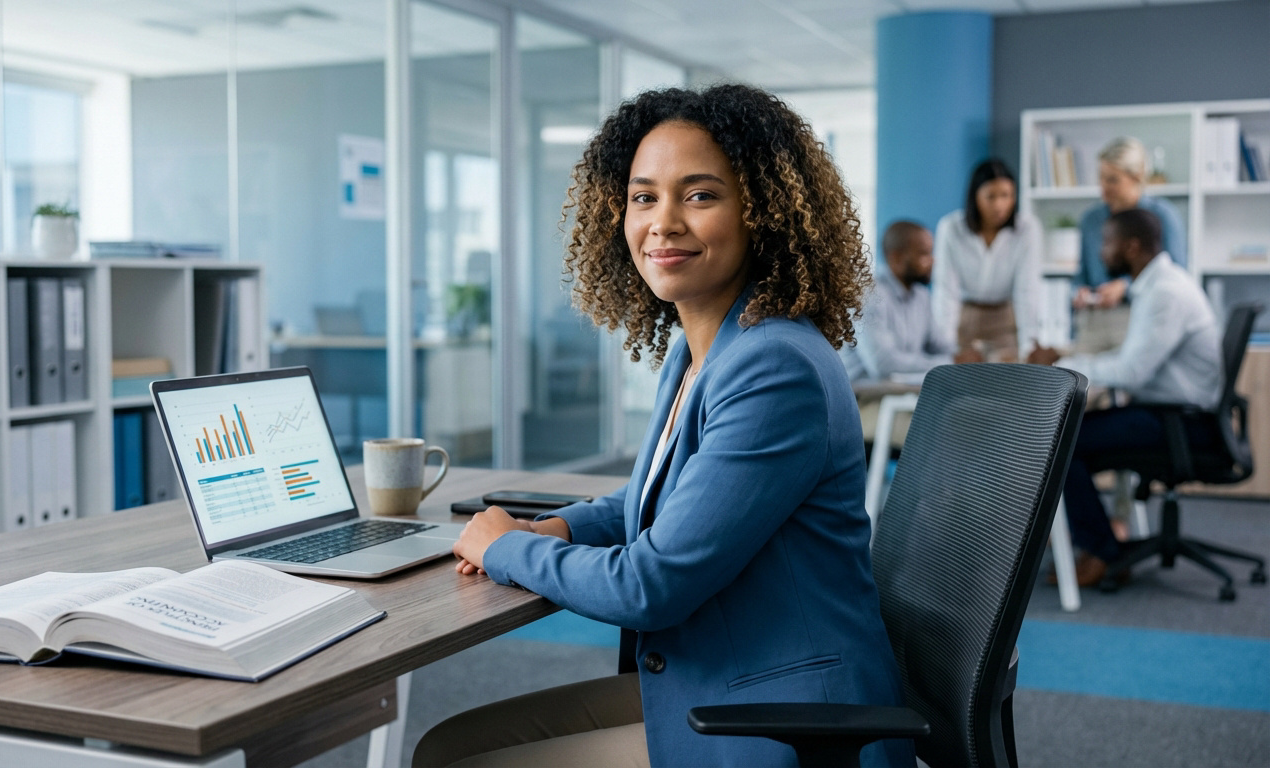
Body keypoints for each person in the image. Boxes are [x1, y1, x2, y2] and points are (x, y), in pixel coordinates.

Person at [414, 85, 914, 768]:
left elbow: (650, 587)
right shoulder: (700, 349)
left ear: (763, 214)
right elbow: (664, 498)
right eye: (644, 196)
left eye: (700, 195)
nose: (664, 222)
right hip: (722, 677)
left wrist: (507, 549)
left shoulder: (774, 367)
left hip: (791, 715)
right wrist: (559, 527)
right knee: (446, 746)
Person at [1029, 208, 1220, 586]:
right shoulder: (1155, 285)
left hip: (1182, 423)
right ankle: (1096, 545)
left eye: (1107, 242)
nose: (1101, 253)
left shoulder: (1165, 293)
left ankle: (1101, 551)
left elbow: (1132, 371)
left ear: (1132, 247)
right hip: (1170, 414)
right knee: (1070, 436)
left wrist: (1061, 363)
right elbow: (1129, 361)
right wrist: (1065, 355)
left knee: (1060, 441)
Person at [841, 220, 981, 447]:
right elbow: (883, 363)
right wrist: (950, 361)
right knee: (950, 431)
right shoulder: (868, 295)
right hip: (863, 404)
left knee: (971, 418)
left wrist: (966, 356)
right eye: (924, 254)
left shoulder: (921, 296)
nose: (933, 261)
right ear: (896, 258)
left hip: (903, 398)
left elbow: (939, 345)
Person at [1071, 136, 1187, 354]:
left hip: (1141, 317)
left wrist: (1125, 288)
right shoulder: (1091, 220)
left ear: (1138, 176)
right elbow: (1082, 275)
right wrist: (1078, 291)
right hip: (1093, 321)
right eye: (1101, 179)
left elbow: (1177, 273)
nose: (1104, 188)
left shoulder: (1163, 217)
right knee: (1078, 383)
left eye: (1113, 180)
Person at [932, 158, 1043, 362]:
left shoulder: (1027, 229)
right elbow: (946, 292)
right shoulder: (950, 228)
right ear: (975, 197)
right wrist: (946, 349)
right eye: (990, 197)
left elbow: (1027, 290)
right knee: (964, 383)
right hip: (965, 319)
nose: (999, 205)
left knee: (1006, 383)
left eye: (1006, 196)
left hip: (1006, 321)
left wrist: (1029, 344)